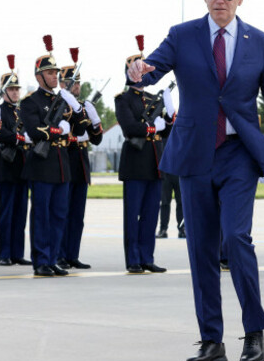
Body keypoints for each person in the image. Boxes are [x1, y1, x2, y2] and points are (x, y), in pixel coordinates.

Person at [127, 0, 264, 361]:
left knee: (235, 238)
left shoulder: (258, 42)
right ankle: (212, 340)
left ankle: (255, 335)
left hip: (238, 155)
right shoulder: (183, 35)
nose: (220, 1)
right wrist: (137, 73)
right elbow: (150, 71)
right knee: (201, 249)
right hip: (194, 155)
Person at [20, 35, 88, 277]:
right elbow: (33, 129)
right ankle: (41, 261)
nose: (55, 76)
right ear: (39, 76)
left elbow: (81, 129)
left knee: (59, 214)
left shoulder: (64, 100)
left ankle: (53, 257)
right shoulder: (31, 102)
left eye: (56, 72)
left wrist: (77, 109)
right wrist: (58, 129)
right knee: (42, 215)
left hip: (62, 165)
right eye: (50, 73)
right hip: (41, 164)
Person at [116, 39, 171, 275]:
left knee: (150, 213)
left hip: (154, 163)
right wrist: (152, 127)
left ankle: (148, 256)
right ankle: (133, 259)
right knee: (133, 214)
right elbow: (129, 127)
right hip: (135, 162)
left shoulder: (153, 100)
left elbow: (168, 130)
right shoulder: (122, 99)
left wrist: (168, 118)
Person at [57, 48, 103, 270]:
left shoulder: (84, 106)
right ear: (63, 84)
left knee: (77, 214)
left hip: (81, 162)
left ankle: (72, 254)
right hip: (65, 159)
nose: (77, 86)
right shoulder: (58, 106)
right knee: (62, 212)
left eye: (78, 83)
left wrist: (95, 122)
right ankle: (59, 254)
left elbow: (97, 140)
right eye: (73, 83)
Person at [0, 55, 32, 267]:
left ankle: (17, 252)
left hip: (21, 165)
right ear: (4, 90)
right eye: (12, 89)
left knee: (20, 212)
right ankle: (4, 253)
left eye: (17, 89)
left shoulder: (21, 111)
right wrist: (19, 137)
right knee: (6, 211)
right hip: (6, 164)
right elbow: (1, 133)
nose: (16, 92)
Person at [156, 124, 185, 239]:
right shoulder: (162, 128)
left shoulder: (180, 128)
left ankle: (182, 228)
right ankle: (163, 229)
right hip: (166, 172)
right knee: (164, 203)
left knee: (181, 203)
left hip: (178, 171)